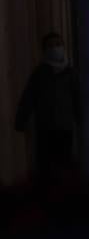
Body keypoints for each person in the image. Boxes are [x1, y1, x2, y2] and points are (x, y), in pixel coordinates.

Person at [13, 31, 79, 180]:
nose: (55, 48)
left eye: (58, 44)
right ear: (45, 50)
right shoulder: (39, 73)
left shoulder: (70, 73)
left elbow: (77, 98)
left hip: (65, 126)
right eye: (50, 45)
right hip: (44, 126)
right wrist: (21, 120)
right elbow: (28, 97)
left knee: (64, 163)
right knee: (45, 165)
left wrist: (83, 120)